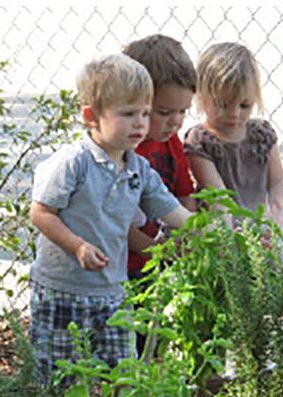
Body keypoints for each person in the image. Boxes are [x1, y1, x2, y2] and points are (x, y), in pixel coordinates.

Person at [29, 54, 193, 383]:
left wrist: (211, 233)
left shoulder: (138, 168)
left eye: (145, 113)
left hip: (113, 291)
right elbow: (41, 212)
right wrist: (76, 247)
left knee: (123, 375)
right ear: (92, 116)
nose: (140, 124)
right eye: (128, 114)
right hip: (64, 290)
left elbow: (173, 211)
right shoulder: (73, 163)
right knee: (58, 378)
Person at [122, 34, 198, 355]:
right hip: (125, 268)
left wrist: (186, 239)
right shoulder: (122, 150)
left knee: (159, 343)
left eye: (183, 111)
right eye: (165, 111)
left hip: (160, 262)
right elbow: (117, 223)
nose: (176, 122)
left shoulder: (171, 143)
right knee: (129, 348)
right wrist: (156, 250)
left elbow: (185, 195)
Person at [184, 42, 283, 227]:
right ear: (200, 95)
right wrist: (233, 238)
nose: (234, 114)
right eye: (222, 104)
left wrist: (277, 210)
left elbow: (278, 182)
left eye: (244, 105)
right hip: (220, 234)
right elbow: (218, 197)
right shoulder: (200, 142)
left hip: (259, 232)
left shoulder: (262, 136)